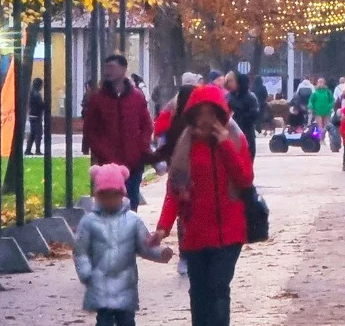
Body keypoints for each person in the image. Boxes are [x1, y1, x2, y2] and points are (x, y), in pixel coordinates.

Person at [150, 85, 254, 326]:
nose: (205, 119)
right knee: (199, 294)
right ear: (192, 115)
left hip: (229, 232)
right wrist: (162, 228)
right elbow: (174, 191)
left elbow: (244, 180)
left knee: (218, 289)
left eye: (211, 112)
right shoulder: (185, 146)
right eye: (200, 113)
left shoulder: (235, 139)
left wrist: (226, 145)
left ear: (220, 114)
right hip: (195, 232)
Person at [74, 164, 174, 326]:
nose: (109, 200)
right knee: (104, 320)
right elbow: (81, 251)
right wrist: (86, 273)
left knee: (126, 320)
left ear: (122, 194)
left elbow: (144, 245)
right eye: (104, 195)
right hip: (100, 283)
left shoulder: (132, 220)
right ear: (97, 196)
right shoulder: (89, 222)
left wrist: (160, 253)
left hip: (125, 283)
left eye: (114, 195)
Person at [84, 54, 154, 210]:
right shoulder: (97, 98)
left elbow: (147, 125)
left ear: (123, 69)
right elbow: (90, 130)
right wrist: (101, 152)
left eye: (112, 67)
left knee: (131, 201)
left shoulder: (136, 96)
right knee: (108, 203)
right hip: (107, 164)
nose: (108, 72)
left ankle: (130, 231)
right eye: (106, 68)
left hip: (133, 161)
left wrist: (141, 147)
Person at [148, 83, 198, 275]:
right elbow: (174, 192)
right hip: (191, 210)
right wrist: (162, 229)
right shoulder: (179, 136)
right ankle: (186, 255)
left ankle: (186, 255)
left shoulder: (221, 141)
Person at [226, 71, 261, 160]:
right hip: (230, 136)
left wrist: (238, 115)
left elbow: (254, 115)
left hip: (246, 134)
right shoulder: (228, 97)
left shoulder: (250, 98)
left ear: (238, 82)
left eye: (230, 81)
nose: (227, 84)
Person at [25, 78, 47, 156]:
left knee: (33, 134)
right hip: (36, 116)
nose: (42, 87)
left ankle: (28, 150)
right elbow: (41, 104)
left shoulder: (32, 92)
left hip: (32, 115)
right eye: (41, 85)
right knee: (38, 133)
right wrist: (46, 105)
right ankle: (37, 150)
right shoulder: (36, 94)